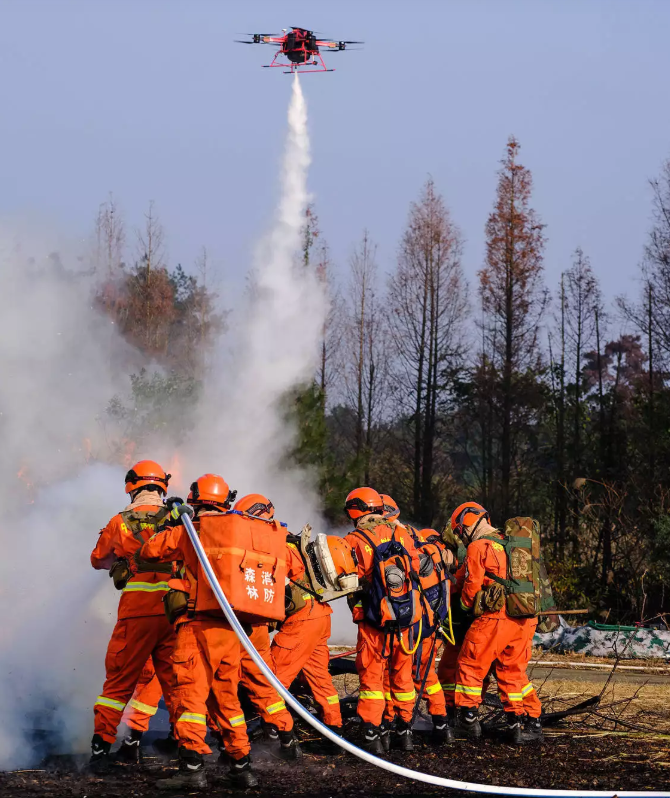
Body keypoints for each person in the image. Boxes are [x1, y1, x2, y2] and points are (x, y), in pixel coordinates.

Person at [139, 474, 303, 791]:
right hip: (234, 629)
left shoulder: (192, 531)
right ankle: (242, 768)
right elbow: (287, 569)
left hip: (198, 626)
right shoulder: (244, 536)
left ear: (195, 502)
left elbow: (149, 552)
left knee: (189, 698)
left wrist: (171, 522)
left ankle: (191, 769)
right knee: (227, 700)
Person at [232, 493, 345, 737]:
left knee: (273, 679)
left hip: (302, 620)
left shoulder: (273, 543)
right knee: (319, 677)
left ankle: (274, 730)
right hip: (320, 614)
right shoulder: (288, 537)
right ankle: (334, 728)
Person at [89, 460, 176, 770]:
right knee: (174, 682)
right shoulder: (179, 520)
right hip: (173, 612)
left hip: (137, 612)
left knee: (119, 682)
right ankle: (188, 751)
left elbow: (98, 559)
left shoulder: (120, 522)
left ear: (132, 487)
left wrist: (121, 558)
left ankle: (100, 753)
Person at [449, 503, 543, 744]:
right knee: (512, 671)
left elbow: (470, 588)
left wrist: (461, 608)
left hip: (497, 617)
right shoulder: (516, 544)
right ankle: (524, 722)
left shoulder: (479, 546)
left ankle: (468, 720)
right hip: (525, 618)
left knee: (470, 663)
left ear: (467, 524)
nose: (461, 537)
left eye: (460, 531)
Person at [343, 487, 421, 754]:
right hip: (405, 617)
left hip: (373, 620)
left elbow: (348, 581)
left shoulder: (354, 539)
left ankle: (372, 734)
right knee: (402, 675)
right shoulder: (402, 532)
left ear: (355, 511)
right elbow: (415, 567)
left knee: (373, 679)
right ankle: (405, 730)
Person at [379, 494, 452, 747]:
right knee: (424, 675)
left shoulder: (395, 538)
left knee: (398, 675)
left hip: (410, 620)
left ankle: (400, 726)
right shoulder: (418, 538)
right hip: (429, 621)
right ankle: (441, 724)